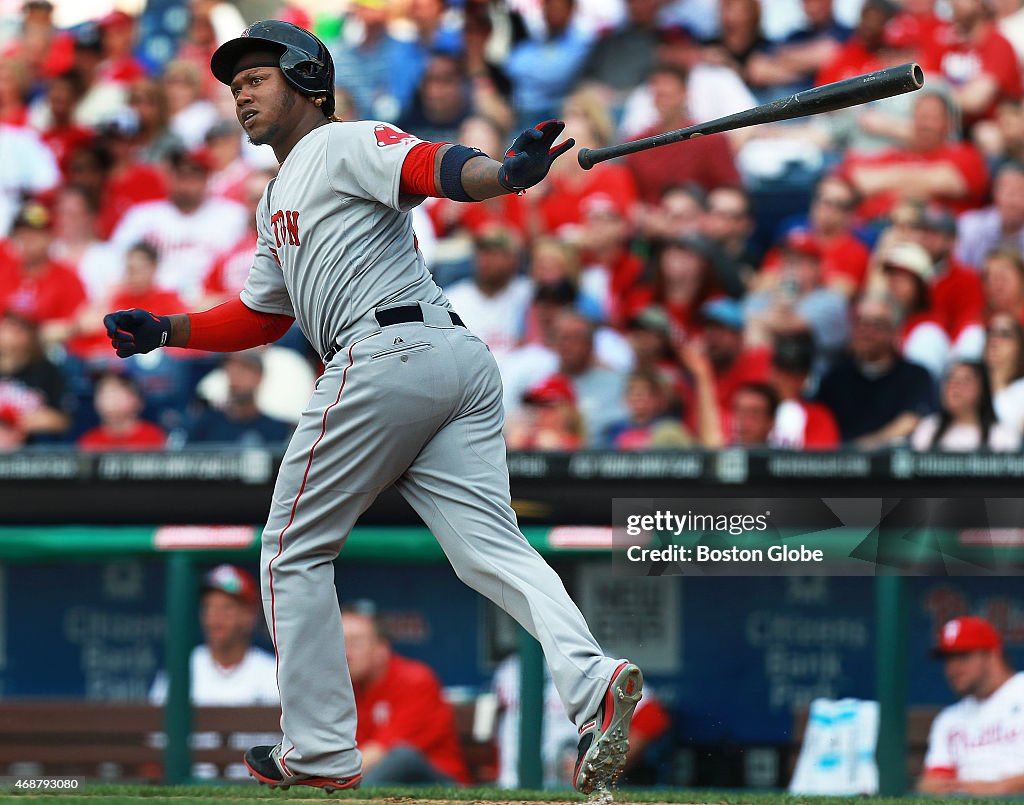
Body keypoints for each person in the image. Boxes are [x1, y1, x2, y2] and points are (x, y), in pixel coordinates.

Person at [104, 20, 642, 795]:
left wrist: (503, 173)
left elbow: (430, 165)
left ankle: (319, 747)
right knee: (490, 550)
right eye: (234, 83)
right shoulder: (277, 193)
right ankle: (595, 683)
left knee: (291, 546)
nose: (241, 92)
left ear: (308, 82)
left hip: (385, 353)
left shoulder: (340, 139)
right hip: (446, 359)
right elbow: (264, 314)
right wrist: (169, 328)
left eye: (257, 76)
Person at [493, 652, 671, 789]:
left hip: (571, 787)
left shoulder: (600, 665)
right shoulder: (510, 668)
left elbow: (652, 717)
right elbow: (494, 725)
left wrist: (604, 764)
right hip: (511, 783)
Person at [341, 602, 470, 785]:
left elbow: (381, 753)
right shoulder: (347, 687)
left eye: (354, 643)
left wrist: (331, 780)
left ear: (381, 649)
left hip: (437, 783)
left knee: (403, 757)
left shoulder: (416, 680)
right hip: (378, 779)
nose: (345, 653)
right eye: (339, 642)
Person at [918, 616, 1024, 796]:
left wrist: (999, 788)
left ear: (992, 654)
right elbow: (930, 782)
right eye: (948, 659)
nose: (952, 668)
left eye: (962, 656)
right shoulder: (949, 718)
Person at [816, 292, 937, 446]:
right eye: (860, 322)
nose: (866, 331)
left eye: (877, 325)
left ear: (895, 331)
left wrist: (864, 448)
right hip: (838, 465)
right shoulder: (835, 377)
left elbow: (912, 420)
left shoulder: (915, 376)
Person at [150, 564, 278, 706]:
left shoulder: (271, 674)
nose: (215, 617)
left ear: (249, 615)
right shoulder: (182, 669)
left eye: (226, 608)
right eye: (208, 608)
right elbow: (157, 726)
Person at [910, 360, 1020, 451]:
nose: (954, 385)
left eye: (965, 380)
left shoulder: (1003, 436)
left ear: (983, 389)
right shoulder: (927, 430)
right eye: (950, 379)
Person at [77, 370, 167, 451]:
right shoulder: (90, 441)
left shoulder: (153, 437)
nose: (107, 398)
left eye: (114, 391)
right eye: (102, 392)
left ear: (136, 399)